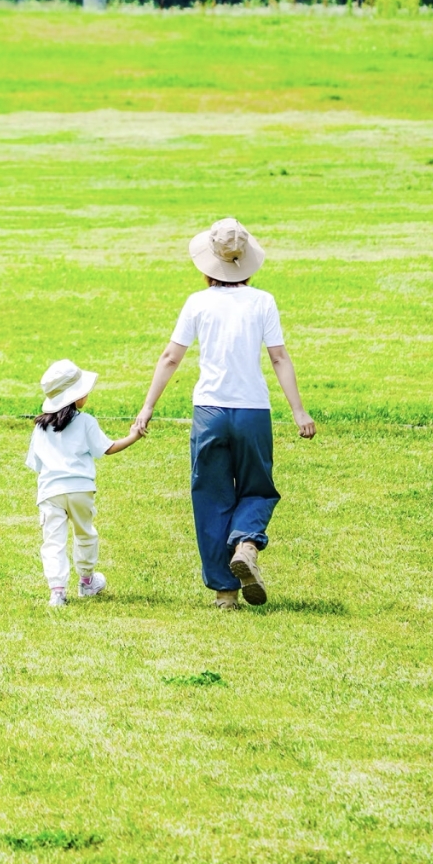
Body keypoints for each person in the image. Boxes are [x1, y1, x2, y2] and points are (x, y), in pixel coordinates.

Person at [132, 218, 316, 610]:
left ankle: (224, 594)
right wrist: (299, 412)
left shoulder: (197, 303)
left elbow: (171, 357)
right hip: (253, 412)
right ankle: (246, 543)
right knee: (257, 488)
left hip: (209, 412)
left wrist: (147, 408)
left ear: (209, 264)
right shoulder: (263, 301)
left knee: (211, 496)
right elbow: (279, 358)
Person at [26, 359, 145, 607]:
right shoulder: (86, 421)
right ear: (75, 397)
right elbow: (107, 448)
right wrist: (133, 436)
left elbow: (36, 464)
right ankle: (87, 581)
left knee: (53, 541)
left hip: (50, 492)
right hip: (81, 490)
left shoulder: (40, 428)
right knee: (85, 535)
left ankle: (57, 591)